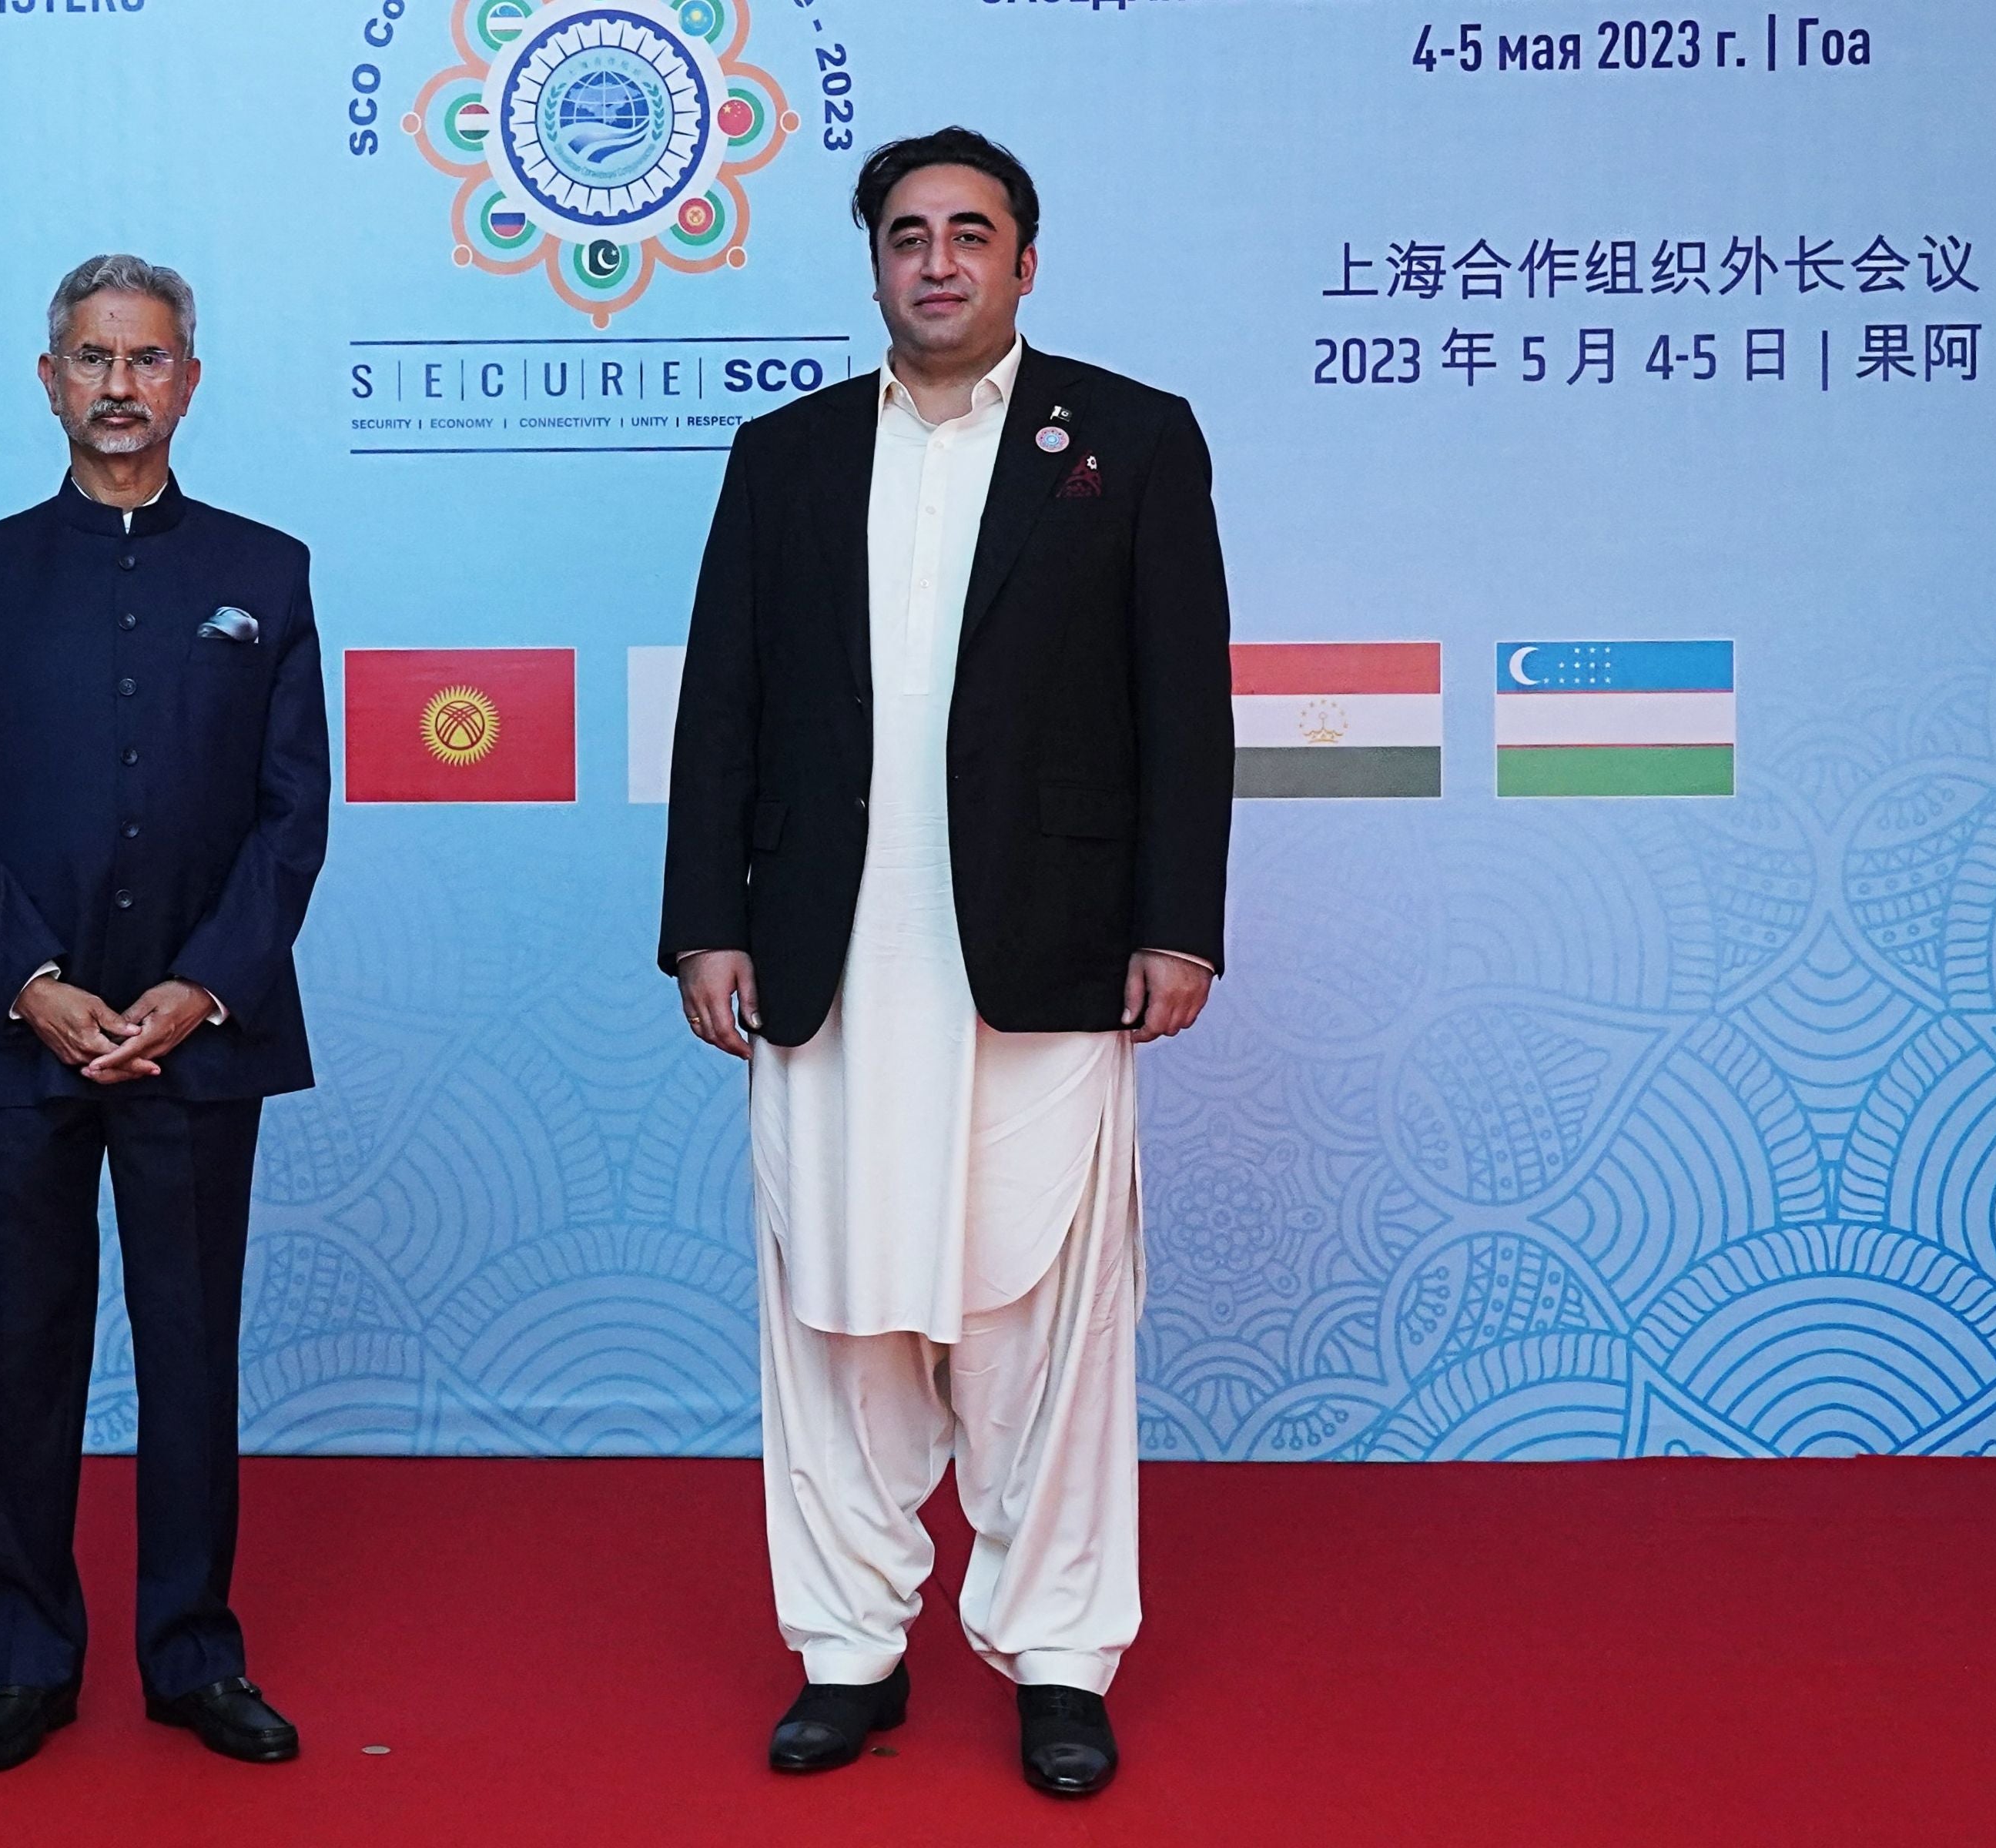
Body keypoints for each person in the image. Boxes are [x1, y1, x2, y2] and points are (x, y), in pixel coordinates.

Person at [658, 129, 1233, 1797]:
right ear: (876, 264)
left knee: (1042, 1316)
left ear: (1025, 262)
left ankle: (1059, 1656)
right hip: (828, 960)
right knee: (833, 1320)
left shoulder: (1126, 441)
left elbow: (1183, 711)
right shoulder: (785, 455)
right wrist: (707, 921)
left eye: (971, 234)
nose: (938, 261)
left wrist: (1176, 921)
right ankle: (848, 1651)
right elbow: (724, 713)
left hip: (1046, 959)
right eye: (907, 235)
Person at [0, 253, 329, 1774]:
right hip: (26, 1037)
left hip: (197, 1042)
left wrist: (200, 988)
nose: (120, 386)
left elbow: (293, 820)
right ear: (49, 380)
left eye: (148, 359)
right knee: (21, 1355)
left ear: (190, 382)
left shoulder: (266, 574)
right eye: (92, 358)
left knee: (190, 1352)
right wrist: (33, 985)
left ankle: (192, 1655)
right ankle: (24, 1659)